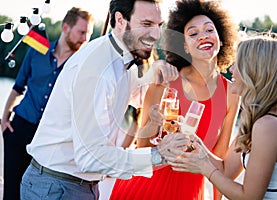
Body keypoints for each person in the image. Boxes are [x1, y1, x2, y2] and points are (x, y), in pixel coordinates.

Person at [20, 0, 181, 199]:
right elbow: (91, 157)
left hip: (76, 186)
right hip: (56, 188)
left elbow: (136, 96)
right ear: (120, 20)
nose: (156, 35)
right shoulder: (97, 70)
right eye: (147, 24)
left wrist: (155, 75)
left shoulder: (121, 59)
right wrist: (158, 156)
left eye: (159, 25)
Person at [109, 0, 241, 199]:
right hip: (145, 188)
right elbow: (142, 146)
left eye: (209, 30)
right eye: (193, 33)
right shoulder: (166, 80)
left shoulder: (232, 93)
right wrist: (154, 122)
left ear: (221, 39)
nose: (203, 36)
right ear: (184, 46)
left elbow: (220, 160)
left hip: (188, 191)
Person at [163, 33, 277, 199]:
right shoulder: (263, 120)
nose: (231, 69)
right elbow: (226, 170)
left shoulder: (268, 126)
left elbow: (250, 197)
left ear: (255, 71)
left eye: (238, 64)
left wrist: (204, 167)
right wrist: (193, 141)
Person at [1, 7, 94, 200]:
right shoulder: (37, 51)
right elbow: (18, 86)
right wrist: (4, 120)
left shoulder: (80, 66)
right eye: (82, 32)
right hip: (18, 129)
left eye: (89, 34)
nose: (85, 39)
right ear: (66, 27)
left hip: (48, 139)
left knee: (36, 192)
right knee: (11, 193)